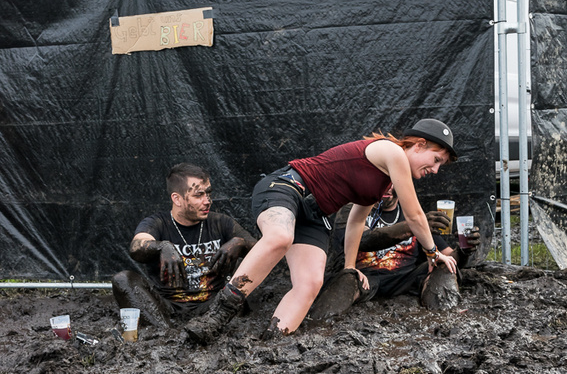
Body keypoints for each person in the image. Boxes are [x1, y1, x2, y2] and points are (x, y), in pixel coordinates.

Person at [186, 119, 459, 344]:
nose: (434, 170)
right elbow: (414, 215)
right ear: (419, 145)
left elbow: (355, 221)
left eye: (439, 166)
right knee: (280, 237)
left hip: (316, 215)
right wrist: (433, 253)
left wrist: (350, 268)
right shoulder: (392, 152)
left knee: (310, 283)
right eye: (435, 160)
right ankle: (218, 315)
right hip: (289, 187)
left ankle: (271, 343)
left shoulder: (382, 181)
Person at [112, 163, 255, 328]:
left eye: (208, 193)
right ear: (177, 198)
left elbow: (262, 250)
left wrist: (240, 243)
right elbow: (136, 246)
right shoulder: (157, 223)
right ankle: (164, 334)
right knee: (122, 279)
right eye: (198, 195)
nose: (207, 201)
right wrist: (162, 247)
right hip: (166, 307)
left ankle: (211, 328)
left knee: (240, 288)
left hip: (213, 306)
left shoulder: (220, 222)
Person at [308, 189, 481, 320]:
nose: (387, 187)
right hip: (364, 277)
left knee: (445, 266)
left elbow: (448, 256)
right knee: (347, 278)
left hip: (405, 278)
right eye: (382, 180)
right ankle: (318, 326)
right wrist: (411, 226)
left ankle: (446, 320)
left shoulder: (413, 213)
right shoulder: (354, 209)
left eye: (391, 181)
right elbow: (365, 240)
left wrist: (465, 250)